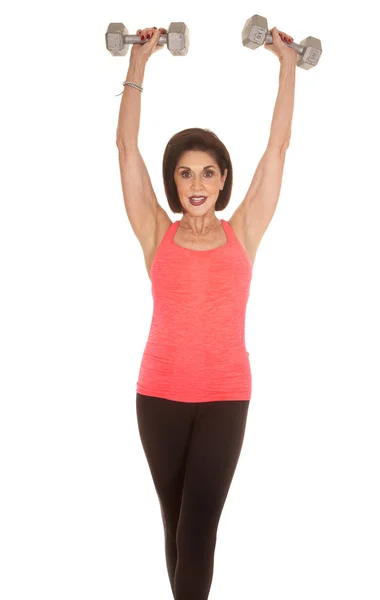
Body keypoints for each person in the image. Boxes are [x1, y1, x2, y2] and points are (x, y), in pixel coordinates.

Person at [116, 24, 297, 600]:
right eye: (185, 172)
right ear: (173, 181)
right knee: (174, 530)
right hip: (158, 398)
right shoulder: (155, 233)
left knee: (198, 535)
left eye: (209, 172)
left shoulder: (243, 230)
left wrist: (287, 65)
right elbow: (125, 150)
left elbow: (277, 149)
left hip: (224, 398)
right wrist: (138, 64)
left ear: (223, 182)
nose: (197, 183)